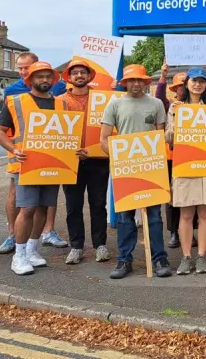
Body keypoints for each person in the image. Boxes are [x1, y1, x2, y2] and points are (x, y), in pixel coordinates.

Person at [0, 62, 67, 275]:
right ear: (30, 79)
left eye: (48, 77)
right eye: (39, 77)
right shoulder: (15, 101)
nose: (44, 80)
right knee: (27, 209)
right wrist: (13, 149)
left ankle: (33, 251)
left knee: (43, 207)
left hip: (53, 164)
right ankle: (19, 256)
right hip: (25, 164)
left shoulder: (61, 105)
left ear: (53, 80)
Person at [100, 64, 172, 279]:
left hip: (152, 167)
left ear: (146, 82)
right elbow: (104, 139)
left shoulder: (157, 103)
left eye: (140, 80)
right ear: (125, 83)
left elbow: (159, 137)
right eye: (132, 80)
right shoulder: (114, 104)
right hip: (125, 168)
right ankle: (124, 259)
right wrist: (119, 158)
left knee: (154, 216)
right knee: (124, 217)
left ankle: (159, 257)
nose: (137, 84)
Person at [165, 67, 206, 274]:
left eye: (201, 81)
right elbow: (169, 139)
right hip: (185, 165)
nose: (198, 84)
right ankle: (186, 257)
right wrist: (176, 118)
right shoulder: (176, 107)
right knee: (186, 213)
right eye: (194, 81)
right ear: (186, 83)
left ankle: (201, 257)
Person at [58, 59, 110, 265]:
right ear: (69, 78)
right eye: (75, 73)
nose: (79, 76)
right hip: (70, 160)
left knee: (98, 204)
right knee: (73, 205)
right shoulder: (59, 101)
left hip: (98, 159)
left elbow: (110, 129)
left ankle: (100, 245)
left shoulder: (104, 100)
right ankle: (76, 246)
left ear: (90, 77)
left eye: (83, 72)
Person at [155, 68, 195, 249]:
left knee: (191, 196)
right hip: (171, 157)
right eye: (178, 86)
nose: (181, 89)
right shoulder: (170, 105)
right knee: (172, 196)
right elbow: (158, 96)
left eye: (183, 86)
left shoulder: (197, 106)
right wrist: (163, 76)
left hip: (191, 156)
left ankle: (189, 232)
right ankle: (173, 233)